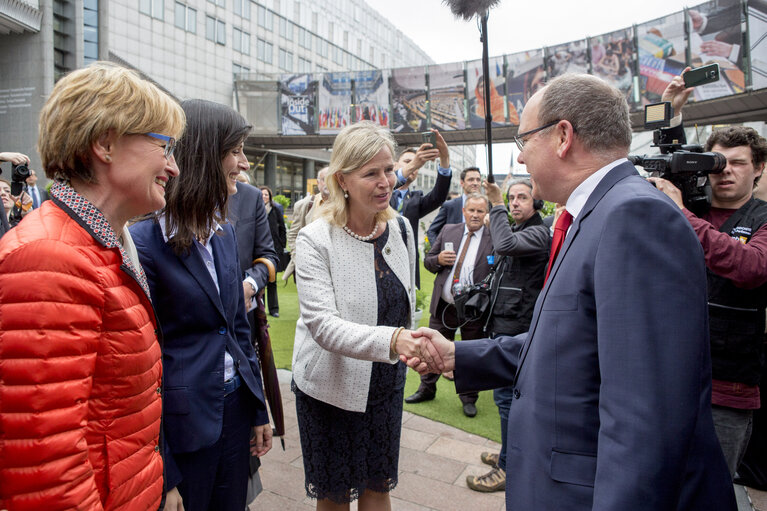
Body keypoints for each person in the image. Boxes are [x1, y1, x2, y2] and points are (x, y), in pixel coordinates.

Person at [405, 73, 736, 510]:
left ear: (562, 136)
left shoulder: (633, 216)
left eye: (522, 140)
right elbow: (567, 341)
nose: (520, 158)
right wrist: (458, 356)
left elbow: (646, 421)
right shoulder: (594, 213)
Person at [0, 62, 184, 510]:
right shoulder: (50, 259)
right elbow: (46, 464)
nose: (174, 167)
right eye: (164, 146)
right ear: (104, 143)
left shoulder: (103, 239)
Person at [130, 99, 272, 511]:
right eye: (236, 150)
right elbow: (143, 371)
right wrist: (166, 473)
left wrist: (257, 409)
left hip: (233, 412)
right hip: (182, 429)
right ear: (204, 155)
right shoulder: (144, 244)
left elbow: (237, 329)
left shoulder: (223, 232)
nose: (244, 163)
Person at [291, 121, 427, 511]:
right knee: (335, 497)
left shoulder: (400, 228)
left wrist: (412, 343)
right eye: (371, 173)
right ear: (342, 180)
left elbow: (407, 301)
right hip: (331, 389)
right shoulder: (316, 238)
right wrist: (394, 340)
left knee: (378, 487)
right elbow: (323, 327)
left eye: (388, 170)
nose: (385, 181)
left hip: (385, 385)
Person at [651, 70, 767, 479]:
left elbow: (750, 268)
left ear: (759, 169)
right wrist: (671, 115)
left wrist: (680, 214)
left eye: (738, 163)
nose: (725, 171)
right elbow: (675, 162)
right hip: (668, 373)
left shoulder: (762, 219)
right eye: (717, 162)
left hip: (727, 389)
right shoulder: (694, 202)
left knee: (711, 488)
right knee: (660, 482)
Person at [466, 178, 550, 493]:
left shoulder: (539, 232)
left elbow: (503, 246)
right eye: (511, 198)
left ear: (536, 203)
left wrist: (497, 204)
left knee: (505, 399)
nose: (515, 203)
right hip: (503, 324)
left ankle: (508, 468)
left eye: (522, 198)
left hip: (517, 330)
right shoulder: (518, 229)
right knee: (503, 398)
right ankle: (507, 453)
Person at [404, 193, 493, 418]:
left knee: (470, 354)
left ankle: (469, 397)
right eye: (471, 210)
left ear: (486, 214)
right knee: (430, 349)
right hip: (444, 304)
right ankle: (426, 389)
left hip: (473, 309)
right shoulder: (448, 230)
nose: (475, 215)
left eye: (480, 211)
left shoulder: (494, 237)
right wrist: (438, 260)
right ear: (464, 211)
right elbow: (428, 261)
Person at [390, 132, 452, 287]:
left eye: (417, 163)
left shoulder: (416, 199)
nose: (414, 165)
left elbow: (438, 197)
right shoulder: (381, 192)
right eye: (407, 161)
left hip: (407, 263)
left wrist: (444, 159)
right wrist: (414, 163)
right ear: (395, 165)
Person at [283, 166, 329, 282]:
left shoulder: (347, 204)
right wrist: (298, 259)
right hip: (310, 266)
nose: (328, 182)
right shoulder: (304, 205)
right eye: (324, 179)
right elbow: (293, 235)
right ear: (318, 183)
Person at [426, 166, 482, 243]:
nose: (475, 183)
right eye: (471, 180)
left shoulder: (488, 205)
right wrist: (439, 251)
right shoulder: (449, 206)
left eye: (478, 180)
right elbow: (432, 231)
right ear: (462, 183)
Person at [259, 185, 286, 317]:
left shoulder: (275, 210)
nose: (264, 197)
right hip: (259, 250)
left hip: (274, 250)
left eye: (266, 195)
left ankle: (274, 309)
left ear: (270, 197)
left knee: (272, 280)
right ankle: (261, 308)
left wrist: (281, 246)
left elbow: (282, 229)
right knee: (260, 281)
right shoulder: (255, 209)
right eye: (262, 194)